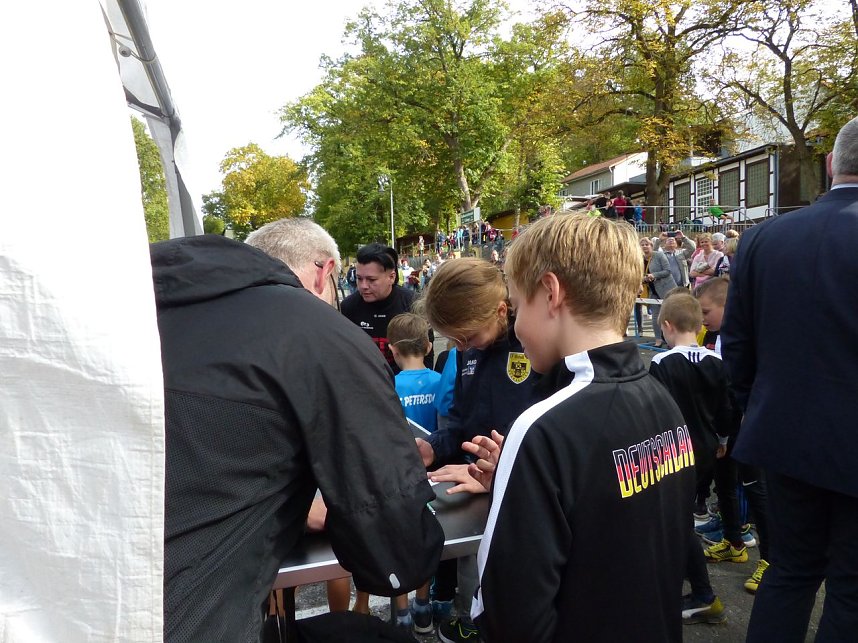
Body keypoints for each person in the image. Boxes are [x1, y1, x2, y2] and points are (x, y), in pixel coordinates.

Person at [150, 234, 444, 641]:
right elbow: (395, 552)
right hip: (195, 621)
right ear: (325, 272)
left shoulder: (138, 312)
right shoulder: (317, 331)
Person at [465, 214, 695, 643]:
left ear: (550, 293)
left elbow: (509, 611)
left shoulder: (542, 428)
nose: (515, 325)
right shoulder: (663, 401)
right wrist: (516, 485)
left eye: (517, 306)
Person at [721, 116, 858, 643]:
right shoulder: (762, 239)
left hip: (781, 436)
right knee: (850, 587)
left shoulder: (762, 239)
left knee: (791, 572)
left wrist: (749, 412)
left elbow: (737, 347)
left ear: (830, 166)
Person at [415, 257, 541, 643]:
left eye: (466, 336)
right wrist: (432, 448)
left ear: (501, 311)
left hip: (526, 493)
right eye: (453, 339)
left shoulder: (537, 347)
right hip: (479, 486)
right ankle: (472, 622)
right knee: (476, 570)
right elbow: (459, 419)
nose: (459, 346)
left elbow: (552, 430)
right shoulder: (466, 351)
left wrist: (503, 472)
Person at [648, 292, 734, 625]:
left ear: (667, 326)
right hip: (708, 449)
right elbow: (727, 408)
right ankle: (693, 589)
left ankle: (702, 593)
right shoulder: (716, 362)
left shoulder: (662, 364)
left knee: (677, 522)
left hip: (674, 452)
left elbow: (655, 410)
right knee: (681, 517)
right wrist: (722, 439)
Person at [691, 277, 770, 593]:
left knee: (754, 488)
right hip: (723, 426)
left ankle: (770, 559)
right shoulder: (713, 334)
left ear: (728, 305)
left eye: (707, 311)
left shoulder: (746, 336)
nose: (702, 317)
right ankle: (733, 541)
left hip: (746, 425)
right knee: (723, 483)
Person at [385, 313, 441, 634]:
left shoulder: (389, 386)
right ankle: (424, 607)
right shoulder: (439, 381)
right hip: (433, 476)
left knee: (400, 541)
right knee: (428, 538)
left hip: (399, 479)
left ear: (392, 351)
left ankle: (402, 611)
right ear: (429, 346)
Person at [341, 243, 432, 372]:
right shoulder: (348, 307)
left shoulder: (414, 304)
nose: (363, 286)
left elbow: (427, 355)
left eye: (371, 280)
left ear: (391, 277)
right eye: (359, 279)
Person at [638, 236, 677, 347]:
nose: (645, 246)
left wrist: (654, 275)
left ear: (651, 246)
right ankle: (658, 339)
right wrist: (643, 279)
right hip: (652, 291)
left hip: (667, 289)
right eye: (642, 245)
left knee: (670, 315)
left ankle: (672, 339)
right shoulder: (640, 259)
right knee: (655, 316)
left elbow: (667, 271)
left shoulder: (659, 255)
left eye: (647, 244)